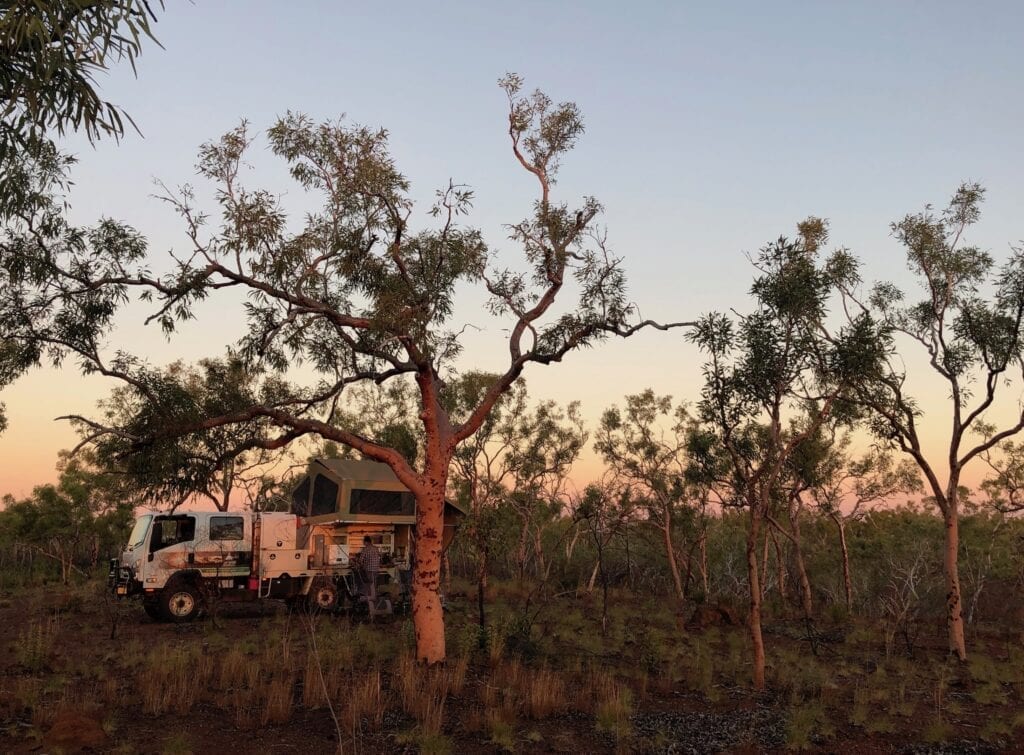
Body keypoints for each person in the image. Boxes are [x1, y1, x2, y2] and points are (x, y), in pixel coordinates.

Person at [358, 535, 381, 604]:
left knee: (369, 586)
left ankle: (371, 602)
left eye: (364, 542)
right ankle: (374, 602)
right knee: (374, 585)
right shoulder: (376, 548)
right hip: (376, 570)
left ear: (366, 542)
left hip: (369, 570)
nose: (363, 543)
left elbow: (360, 561)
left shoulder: (365, 549)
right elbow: (379, 557)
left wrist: (358, 563)